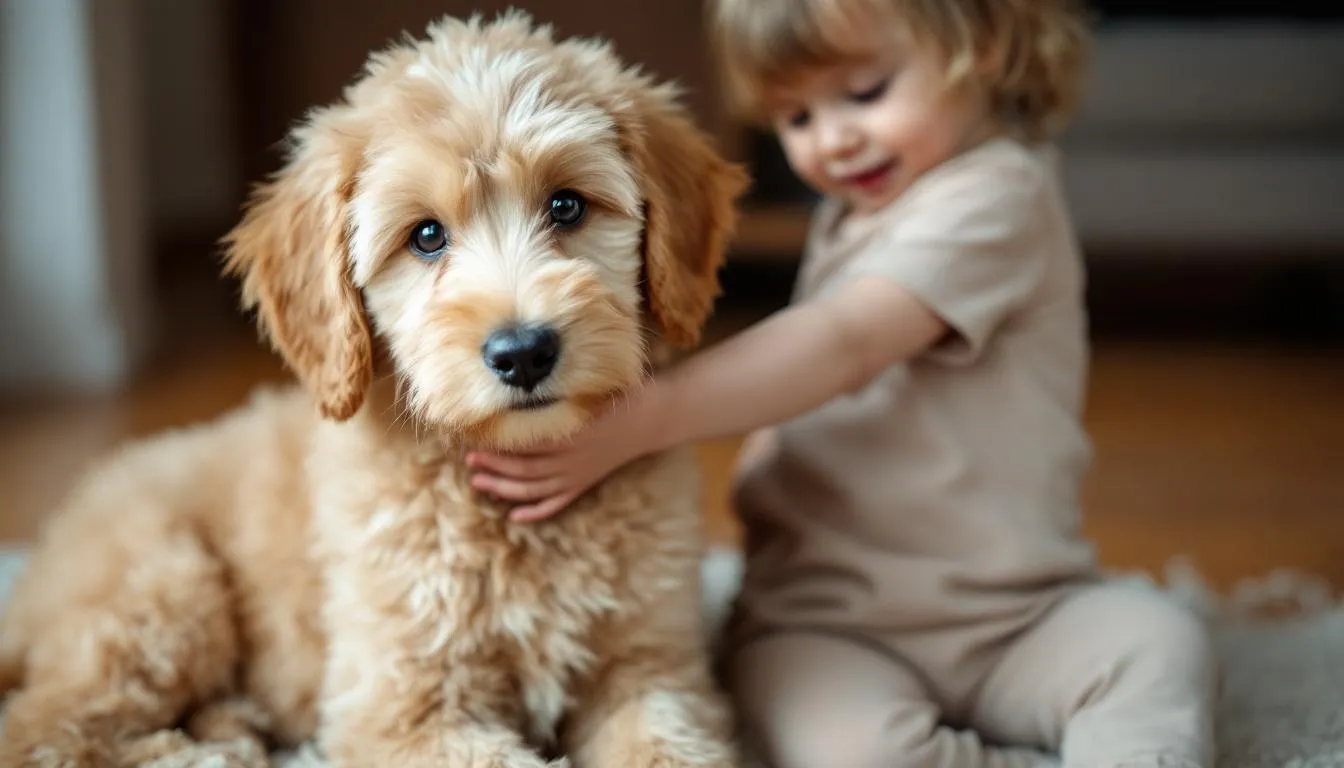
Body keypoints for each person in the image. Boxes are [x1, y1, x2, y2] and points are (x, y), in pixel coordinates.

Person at [467, 0, 1217, 765]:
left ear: (982, 44)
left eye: (866, 93)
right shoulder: (857, 212)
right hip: (827, 623)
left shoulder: (999, 195)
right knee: (846, 743)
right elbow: (815, 387)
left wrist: (648, 417)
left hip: (1014, 614)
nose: (833, 140)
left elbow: (845, 342)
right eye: (795, 117)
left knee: (1152, 640)